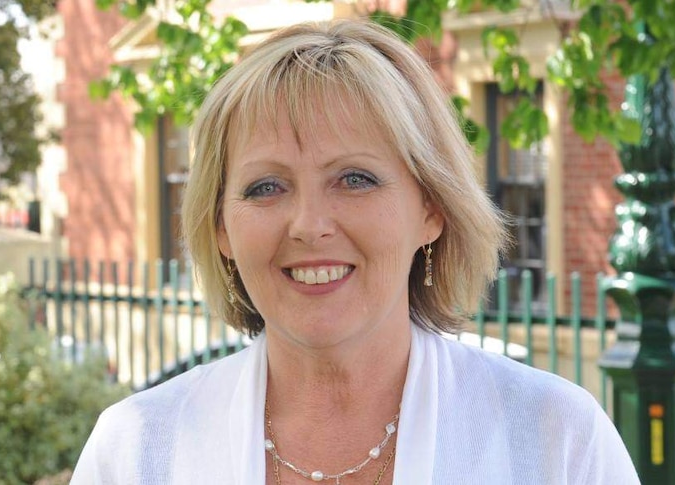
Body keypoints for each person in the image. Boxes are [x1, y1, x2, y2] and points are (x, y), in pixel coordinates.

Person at [72, 19, 640, 484]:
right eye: (265, 187)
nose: (309, 225)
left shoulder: (556, 442)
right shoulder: (136, 452)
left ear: (432, 209)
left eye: (355, 179)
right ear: (220, 227)